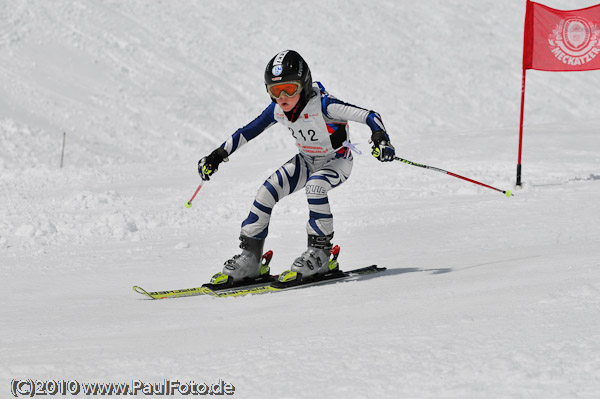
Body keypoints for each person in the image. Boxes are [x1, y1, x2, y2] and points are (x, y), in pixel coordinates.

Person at [198, 50, 395, 283]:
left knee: (315, 187)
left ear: (304, 85)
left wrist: (381, 139)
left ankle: (321, 254)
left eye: (289, 89)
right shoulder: (278, 109)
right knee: (266, 191)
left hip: (337, 160)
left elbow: (370, 115)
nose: (282, 97)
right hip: (306, 160)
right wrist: (217, 156)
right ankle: (250, 258)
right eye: (274, 90)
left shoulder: (324, 105)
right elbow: (248, 131)